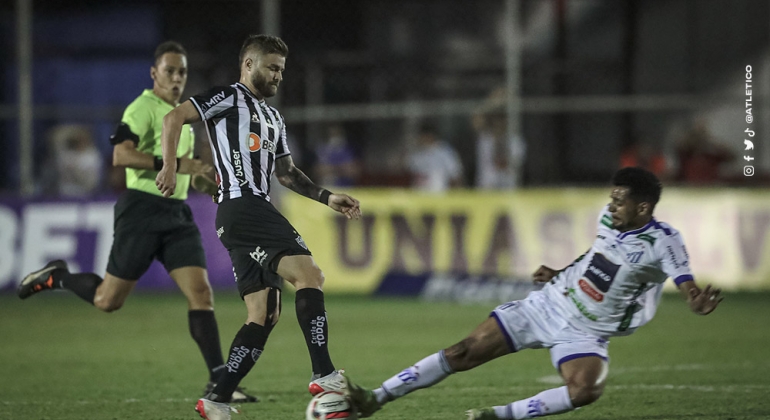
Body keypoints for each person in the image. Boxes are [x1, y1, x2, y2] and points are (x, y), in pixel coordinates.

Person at [344, 167, 723, 420]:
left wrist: (693, 297)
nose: (610, 205)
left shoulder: (664, 241)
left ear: (643, 207)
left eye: (619, 200)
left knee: (585, 390)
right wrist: (560, 271)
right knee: (461, 352)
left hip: (587, 331)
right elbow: (597, 252)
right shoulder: (608, 219)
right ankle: (375, 398)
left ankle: (499, 416)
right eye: (611, 198)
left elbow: (683, 278)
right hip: (549, 304)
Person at [16, 41, 256, 403]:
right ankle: (57, 276)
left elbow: (190, 174)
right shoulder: (144, 108)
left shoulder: (185, 121)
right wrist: (175, 164)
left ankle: (219, 380)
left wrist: (214, 186)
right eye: (170, 70)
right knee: (107, 301)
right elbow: (120, 154)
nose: (177, 78)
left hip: (177, 215)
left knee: (202, 294)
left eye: (182, 72)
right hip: (142, 211)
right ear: (154, 73)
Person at [154, 34, 362, 420]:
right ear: (248, 65)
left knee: (263, 313)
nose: (278, 75)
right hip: (243, 205)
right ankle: (325, 374)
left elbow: (286, 174)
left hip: (242, 214)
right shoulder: (228, 98)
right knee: (309, 274)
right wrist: (168, 166)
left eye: (281, 69)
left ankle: (217, 399)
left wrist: (327, 197)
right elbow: (174, 117)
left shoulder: (274, 117)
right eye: (272, 67)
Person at [471, 112, 526, 190]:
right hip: (488, 181)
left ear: (506, 123)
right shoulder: (484, 140)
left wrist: (504, 161)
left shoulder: (515, 140)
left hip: (508, 180)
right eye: (496, 123)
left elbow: (517, 161)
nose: (498, 125)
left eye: (501, 122)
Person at [407, 122, 464, 192]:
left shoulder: (444, 152)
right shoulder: (416, 154)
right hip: (419, 197)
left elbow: (456, 176)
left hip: (439, 197)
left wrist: (455, 196)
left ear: (430, 135)